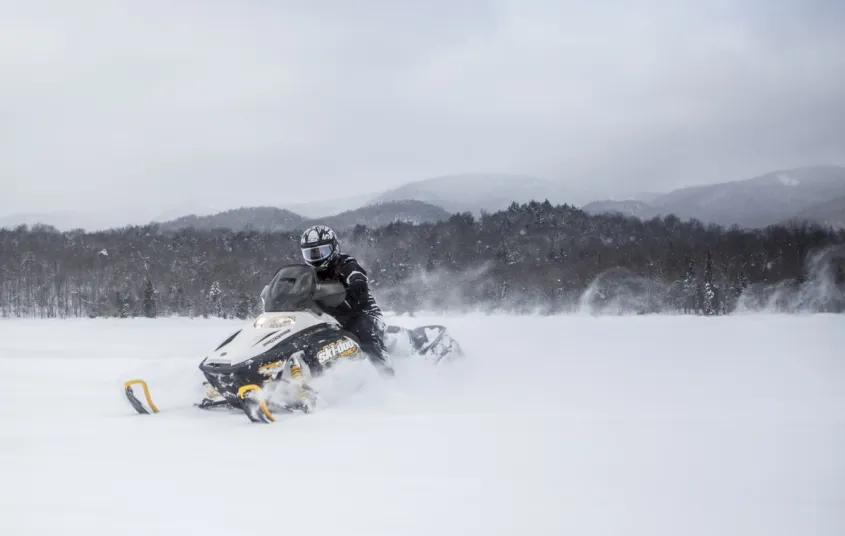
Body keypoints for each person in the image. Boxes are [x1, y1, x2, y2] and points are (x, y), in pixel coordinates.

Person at [299, 225, 394, 376]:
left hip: (360, 312)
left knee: (364, 331)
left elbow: (355, 273)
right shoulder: (306, 273)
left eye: (321, 252)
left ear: (334, 248)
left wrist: (357, 281)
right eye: (311, 254)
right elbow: (297, 286)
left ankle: (387, 373)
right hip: (329, 318)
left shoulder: (346, 264)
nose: (316, 258)